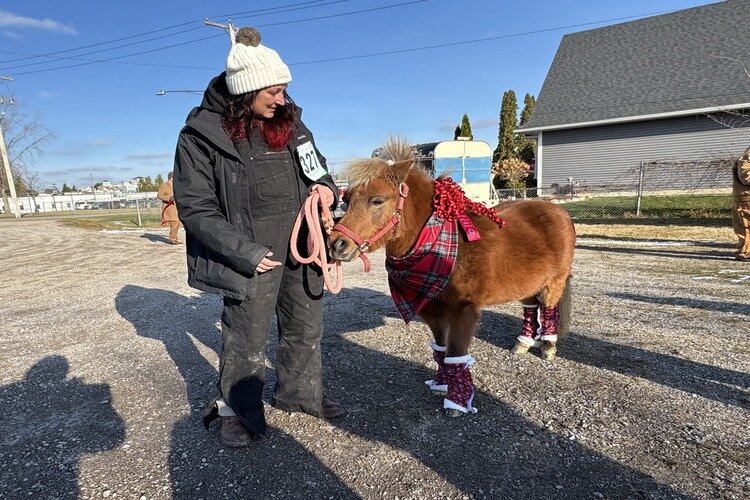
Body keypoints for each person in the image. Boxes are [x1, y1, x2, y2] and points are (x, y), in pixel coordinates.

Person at [172, 26, 342, 448]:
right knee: (245, 336)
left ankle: (300, 398)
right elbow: (195, 207)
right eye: (274, 91)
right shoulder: (201, 134)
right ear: (247, 89)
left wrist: (326, 188)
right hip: (252, 252)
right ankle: (236, 412)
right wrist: (245, 252)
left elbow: (317, 168)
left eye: (284, 91)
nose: (282, 100)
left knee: (306, 326)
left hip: (302, 245)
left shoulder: (293, 124)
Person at [732, 146, 750, 261]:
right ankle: (746, 253)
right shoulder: (748, 156)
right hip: (746, 198)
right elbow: (746, 177)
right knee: (746, 227)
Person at [157, 172, 181, 244]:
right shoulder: (164, 186)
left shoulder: (176, 186)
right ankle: (173, 239)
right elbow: (159, 196)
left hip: (176, 207)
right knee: (176, 222)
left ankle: (173, 238)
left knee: (176, 222)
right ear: (170, 178)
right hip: (169, 208)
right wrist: (169, 198)